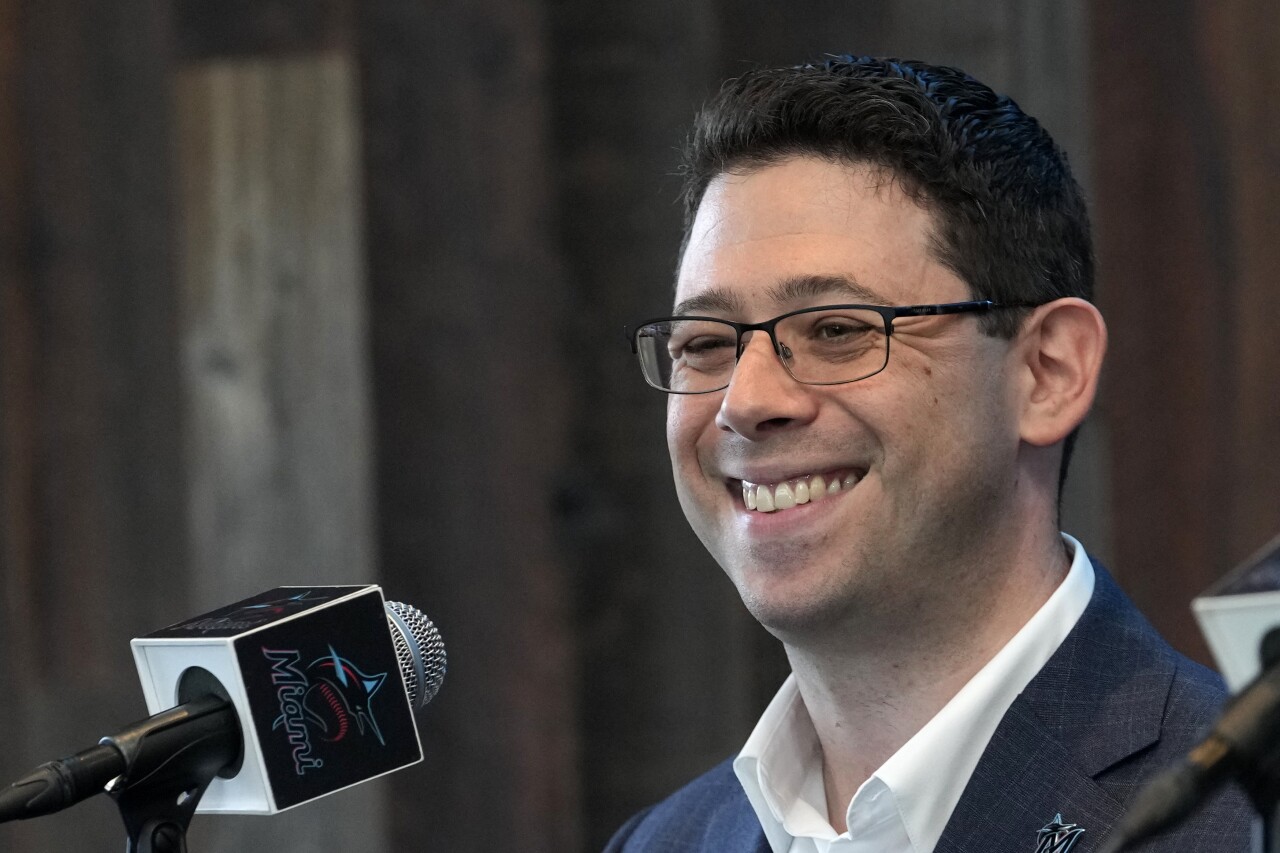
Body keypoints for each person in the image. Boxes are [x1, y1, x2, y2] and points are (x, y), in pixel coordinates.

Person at [609, 55, 1253, 852]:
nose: (746, 402)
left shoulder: (1241, 813)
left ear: (1047, 371)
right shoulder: (662, 843)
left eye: (837, 330)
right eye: (705, 343)